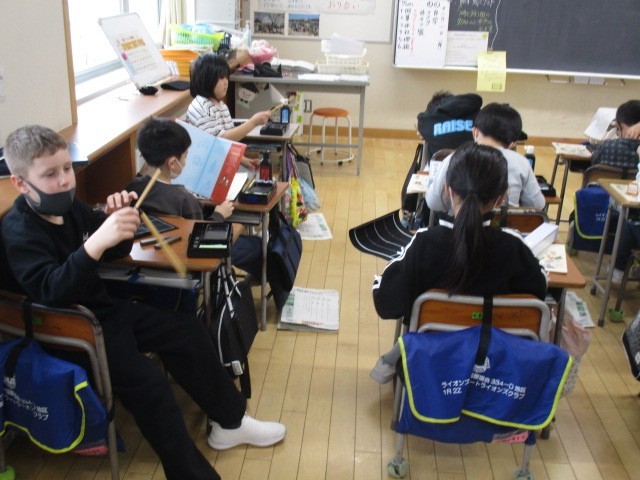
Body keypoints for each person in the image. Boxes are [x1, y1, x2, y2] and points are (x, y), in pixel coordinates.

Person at [0, 125, 286, 480]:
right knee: (151, 385)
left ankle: (231, 422)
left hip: (103, 312)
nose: (64, 180)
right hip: (70, 330)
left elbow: (115, 249)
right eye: (49, 174)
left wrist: (117, 220)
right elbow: (50, 291)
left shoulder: (71, 207)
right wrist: (95, 243)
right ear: (21, 183)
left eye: (67, 169)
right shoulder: (19, 230)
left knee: (187, 331)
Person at [371, 143, 548, 382]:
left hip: (432, 370)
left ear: (447, 189)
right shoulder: (515, 249)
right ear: (501, 198)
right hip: (498, 372)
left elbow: (387, 304)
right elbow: (538, 295)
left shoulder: (425, 244)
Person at [126, 117, 262, 277]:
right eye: (185, 156)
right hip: (188, 269)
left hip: (149, 266)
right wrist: (219, 215)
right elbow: (202, 238)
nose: (186, 161)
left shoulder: (131, 189)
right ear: (172, 164)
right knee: (256, 247)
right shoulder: (185, 200)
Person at [426, 103, 545, 215]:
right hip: (505, 227)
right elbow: (537, 205)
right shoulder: (521, 163)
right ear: (513, 143)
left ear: (475, 132)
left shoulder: (455, 158)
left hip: (455, 227)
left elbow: (433, 202)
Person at [186, 53, 271, 171]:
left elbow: (228, 144)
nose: (226, 82)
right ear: (206, 79)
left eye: (226, 77)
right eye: (221, 78)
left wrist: (243, 160)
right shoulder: (200, 106)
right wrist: (253, 122)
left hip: (220, 166)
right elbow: (221, 140)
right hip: (205, 170)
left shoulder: (221, 106)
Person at [416, 90, 483, 158]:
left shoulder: (427, 123)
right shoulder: (480, 116)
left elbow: (421, 121)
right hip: (477, 162)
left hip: (441, 164)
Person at [590, 100, 640, 169]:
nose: (617, 134)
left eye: (618, 129)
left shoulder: (608, 146)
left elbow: (594, 161)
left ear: (621, 126)